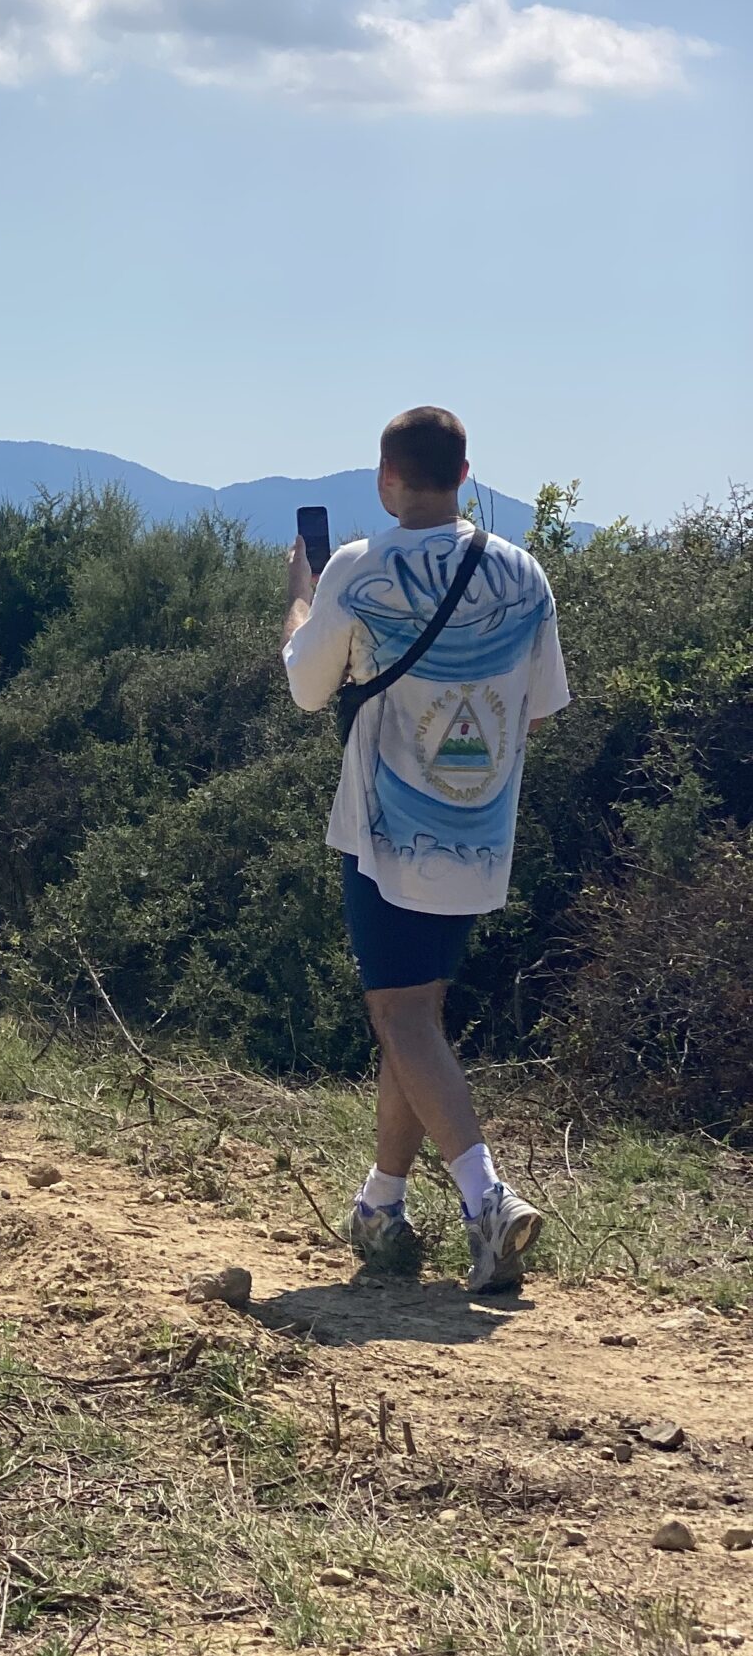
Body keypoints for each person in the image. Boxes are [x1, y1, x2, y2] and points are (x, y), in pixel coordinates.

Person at [281, 406, 570, 1293]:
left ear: (386, 480)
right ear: (466, 471)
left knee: (401, 1017)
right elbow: (542, 705)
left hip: (385, 836)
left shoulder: (360, 570)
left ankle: (489, 1200)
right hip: (480, 837)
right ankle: (382, 1206)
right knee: (416, 1018)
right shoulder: (524, 574)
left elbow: (304, 687)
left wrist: (302, 592)